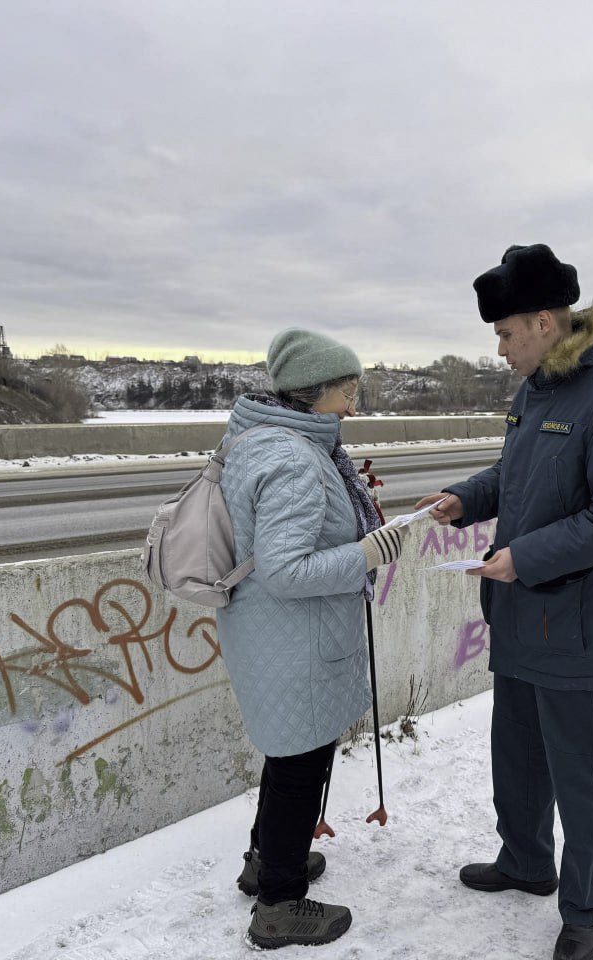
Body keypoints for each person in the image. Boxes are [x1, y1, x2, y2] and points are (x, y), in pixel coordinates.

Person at [416, 244, 593, 960]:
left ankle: (584, 906)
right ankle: (525, 858)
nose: (498, 349)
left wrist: (527, 557)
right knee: (516, 752)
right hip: (521, 612)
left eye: (505, 333)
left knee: (579, 772)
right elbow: (516, 472)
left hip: (575, 622)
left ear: (546, 323)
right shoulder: (536, 392)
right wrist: (466, 498)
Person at [215, 328, 410, 950]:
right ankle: (279, 905)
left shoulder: (255, 439)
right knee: (301, 767)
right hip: (294, 640)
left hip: (269, 635)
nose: (355, 404)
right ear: (314, 391)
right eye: (348, 390)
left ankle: (268, 863)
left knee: (286, 757)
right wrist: (367, 552)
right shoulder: (297, 459)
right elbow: (285, 569)